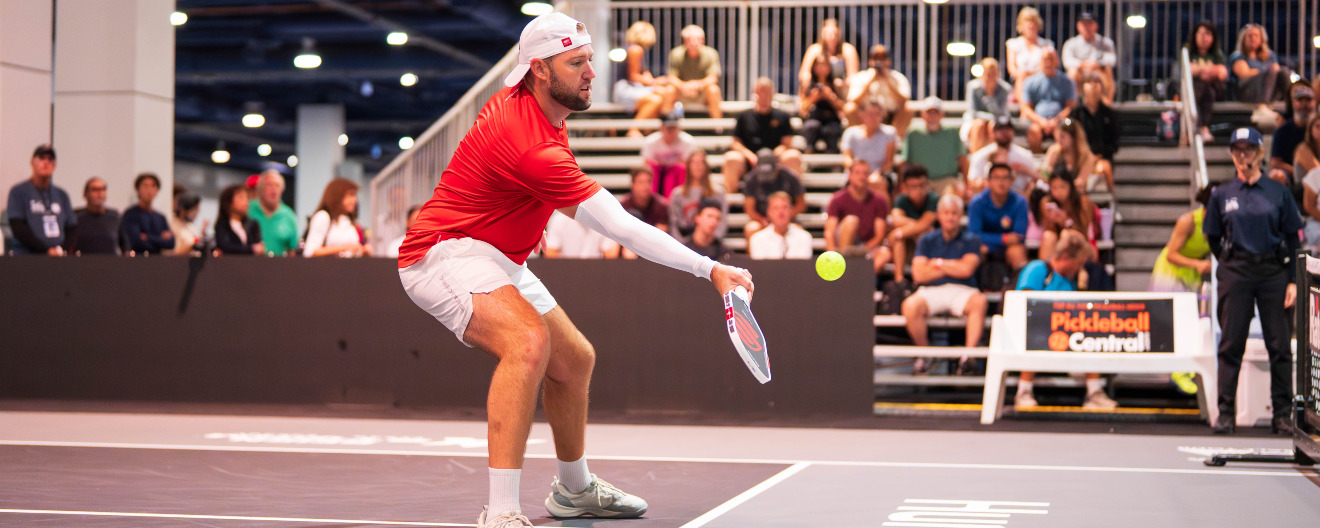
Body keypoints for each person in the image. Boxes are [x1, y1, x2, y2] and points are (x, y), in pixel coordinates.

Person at [394, 14, 753, 527]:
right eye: (576, 63)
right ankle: (501, 512)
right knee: (527, 343)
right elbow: (622, 228)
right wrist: (709, 267)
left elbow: (501, 178)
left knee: (575, 359)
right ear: (540, 69)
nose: (591, 73)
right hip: (442, 252)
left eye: (589, 59)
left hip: (496, 251)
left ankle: (574, 488)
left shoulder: (538, 103)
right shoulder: (531, 145)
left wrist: (526, 215)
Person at [1204, 127, 1303, 436]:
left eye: (1249, 149)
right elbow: (1213, 237)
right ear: (1232, 154)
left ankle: (1282, 415)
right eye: (1238, 149)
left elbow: (1293, 238)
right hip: (1236, 273)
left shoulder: (1278, 192)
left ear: (1260, 153)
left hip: (1273, 272)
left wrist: (1293, 280)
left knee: (1280, 345)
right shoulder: (1221, 194)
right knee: (1231, 343)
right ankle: (1225, 414)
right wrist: (1231, 262)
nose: (1243, 155)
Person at [1012, 230, 1117, 410]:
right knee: (1035, 331)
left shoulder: (1071, 281)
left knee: (1090, 330)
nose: (1080, 268)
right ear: (1066, 257)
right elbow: (1024, 305)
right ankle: (1024, 391)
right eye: (1079, 263)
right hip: (1032, 330)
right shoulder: (1038, 269)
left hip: (1063, 332)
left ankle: (1094, 393)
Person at [903, 194, 987, 374]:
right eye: (946, 213)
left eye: (954, 213)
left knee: (979, 301)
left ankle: (968, 359)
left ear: (961, 216)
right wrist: (954, 266)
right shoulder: (926, 239)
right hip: (931, 290)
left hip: (962, 290)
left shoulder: (972, 239)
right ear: (939, 215)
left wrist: (937, 263)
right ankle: (925, 355)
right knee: (910, 305)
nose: (950, 217)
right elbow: (919, 274)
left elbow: (967, 270)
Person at [722, 77, 803, 193]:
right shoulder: (743, 116)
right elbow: (736, 143)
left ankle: (795, 196)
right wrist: (750, 156)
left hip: (776, 160)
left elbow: (787, 143)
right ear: (754, 92)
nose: (764, 95)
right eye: (761, 91)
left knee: (793, 156)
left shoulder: (782, 116)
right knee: (731, 158)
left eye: (767, 92)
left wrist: (771, 156)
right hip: (749, 160)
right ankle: (730, 198)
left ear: (773, 93)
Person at [7, 145, 76, 256]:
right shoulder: (18, 192)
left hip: (57, 258)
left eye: (50, 159)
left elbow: (72, 227)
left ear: (54, 166)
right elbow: (18, 226)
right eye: (42, 158)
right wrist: (45, 251)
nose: (46, 162)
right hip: (27, 257)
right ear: (32, 162)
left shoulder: (61, 195)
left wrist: (60, 249)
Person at [1150, 184, 1216, 293]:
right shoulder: (1188, 221)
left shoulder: (1222, 225)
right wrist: (1197, 264)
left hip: (1191, 275)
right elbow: (1171, 255)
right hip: (1170, 274)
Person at [615, 20, 675, 138]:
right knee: (656, 99)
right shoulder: (636, 49)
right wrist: (656, 82)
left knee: (663, 94)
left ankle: (649, 129)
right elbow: (634, 76)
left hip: (631, 87)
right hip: (625, 89)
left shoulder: (636, 49)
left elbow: (645, 75)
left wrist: (653, 82)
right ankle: (635, 129)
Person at [968, 163, 1029, 276]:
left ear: (1011, 181)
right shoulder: (977, 202)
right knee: (976, 250)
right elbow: (974, 235)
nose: (1001, 182)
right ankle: (974, 284)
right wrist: (1003, 239)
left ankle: (1020, 284)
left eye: (1005, 178)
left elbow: (1019, 236)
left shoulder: (1020, 202)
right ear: (989, 181)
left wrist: (993, 241)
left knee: (1017, 250)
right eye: (996, 178)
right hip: (985, 246)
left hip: (1009, 247)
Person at [824, 159, 888, 264]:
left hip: (866, 247)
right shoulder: (837, 199)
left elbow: (879, 235)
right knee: (851, 221)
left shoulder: (879, 201)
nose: (862, 177)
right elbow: (829, 231)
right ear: (850, 176)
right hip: (841, 245)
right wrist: (832, 254)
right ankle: (842, 264)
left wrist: (864, 250)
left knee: (885, 253)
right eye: (857, 173)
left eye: (865, 173)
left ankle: (865, 274)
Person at [900, 97, 968, 195]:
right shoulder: (913, 134)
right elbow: (904, 162)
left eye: (936, 113)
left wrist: (967, 184)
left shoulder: (952, 133)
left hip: (947, 180)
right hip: (920, 182)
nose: (932, 116)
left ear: (942, 115)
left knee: (953, 196)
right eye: (929, 113)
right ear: (922, 115)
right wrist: (901, 184)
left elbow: (963, 159)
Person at [845, 44, 913, 137]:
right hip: (867, 117)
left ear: (889, 61)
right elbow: (855, 101)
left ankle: (894, 141)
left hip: (890, 117)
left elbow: (903, 101)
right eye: (876, 58)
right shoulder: (862, 77)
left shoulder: (897, 77)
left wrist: (887, 81)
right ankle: (862, 139)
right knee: (849, 108)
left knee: (908, 108)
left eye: (882, 58)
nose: (879, 62)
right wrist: (870, 82)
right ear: (870, 61)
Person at [888, 165, 940, 284]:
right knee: (900, 239)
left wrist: (899, 232)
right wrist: (907, 230)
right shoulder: (901, 199)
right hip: (909, 246)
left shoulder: (933, 199)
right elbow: (896, 219)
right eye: (913, 187)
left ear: (928, 185)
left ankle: (924, 276)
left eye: (922, 185)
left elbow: (925, 224)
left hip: (932, 244)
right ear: (904, 188)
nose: (918, 191)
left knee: (922, 234)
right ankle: (899, 280)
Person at [740, 148, 806, 238]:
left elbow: (801, 204)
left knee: (798, 231)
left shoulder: (790, 177)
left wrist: (783, 218)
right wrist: (762, 220)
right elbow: (749, 209)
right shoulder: (750, 180)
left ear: (777, 166)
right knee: (752, 228)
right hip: (762, 219)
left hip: (787, 218)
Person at [1022, 49, 1076, 154]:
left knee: (1066, 131)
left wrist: (1056, 120)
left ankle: (1059, 159)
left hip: (1060, 121)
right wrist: (1041, 121)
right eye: (1045, 60)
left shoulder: (1067, 81)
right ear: (1040, 62)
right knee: (1033, 132)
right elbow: (1026, 108)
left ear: (1057, 61)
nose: (1048, 63)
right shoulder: (1030, 81)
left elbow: (1071, 107)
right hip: (1038, 122)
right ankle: (1038, 160)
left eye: (1051, 59)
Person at [967, 117, 1040, 196]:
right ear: (993, 133)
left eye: (1007, 129)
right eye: (1000, 129)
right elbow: (973, 183)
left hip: (1019, 198)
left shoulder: (1025, 155)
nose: (1004, 132)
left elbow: (1034, 182)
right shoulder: (980, 155)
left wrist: (1025, 170)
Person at [1035, 171, 1097, 262]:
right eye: (1054, 187)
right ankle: (1046, 269)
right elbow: (1048, 230)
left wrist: (1066, 222)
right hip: (1056, 244)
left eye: (1062, 187)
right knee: (1049, 237)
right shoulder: (1046, 203)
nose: (1058, 192)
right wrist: (1052, 221)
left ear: (1070, 187)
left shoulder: (1083, 202)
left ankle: (1070, 268)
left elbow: (1084, 232)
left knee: (1066, 234)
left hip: (1083, 243)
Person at [1072, 74, 1118, 192]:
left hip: (1101, 157)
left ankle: (1111, 197)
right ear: (1083, 87)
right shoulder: (1076, 113)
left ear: (1102, 87)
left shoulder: (1110, 114)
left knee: (1103, 168)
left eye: (1097, 82)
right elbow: (1067, 129)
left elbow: (1114, 144)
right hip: (1079, 157)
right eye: (1089, 82)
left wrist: (1098, 155)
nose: (1093, 85)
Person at [1268, 81, 1315, 197]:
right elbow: (1275, 163)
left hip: (1316, 173)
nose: (1304, 105)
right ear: (1293, 103)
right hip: (1291, 174)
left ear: (1315, 103)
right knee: (1276, 175)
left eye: (1308, 100)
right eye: (1300, 100)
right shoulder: (1282, 130)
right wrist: (1298, 171)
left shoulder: (1317, 127)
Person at [1184, 21, 1229, 143]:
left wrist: (1200, 70)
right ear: (1195, 35)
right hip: (1198, 92)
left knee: (1205, 87)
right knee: (1204, 89)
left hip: (1215, 91)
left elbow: (1222, 73)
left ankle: (1192, 128)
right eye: (1202, 34)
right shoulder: (1187, 52)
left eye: (1208, 34)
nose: (1205, 38)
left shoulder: (1216, 54)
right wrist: (1210, 70)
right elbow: (1188, 70)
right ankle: (1204, 128)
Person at [1229, 24, 1291, 110]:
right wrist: (1267, 73)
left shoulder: (1270, 55)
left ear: (1262, 39)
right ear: (1243, 39)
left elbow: (1277, 70)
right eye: (1250, 36)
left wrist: (1257, 72)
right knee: (1271, 70)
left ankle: (1291, 104)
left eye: (1256, 35)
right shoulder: (1238, 56)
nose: (1253, 38)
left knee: (1284, 72)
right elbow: (1244, 74)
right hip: (1246, 92)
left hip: (1269, 92)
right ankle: (1263, 107)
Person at [667, 149, 726, 239]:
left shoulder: (717, 192)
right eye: (694, 162)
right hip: (684, 239)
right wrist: (681, 243)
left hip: (709, 240)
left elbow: (722, 221)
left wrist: (713, 241)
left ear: (706, 166)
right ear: (688, 166)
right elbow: (673, 223)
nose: (697, 166)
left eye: (701, 162)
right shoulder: (678, 194)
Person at [667, 24, 723, 120]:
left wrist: (698, 85)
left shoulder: (711, 53)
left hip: (702, 92)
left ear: (703, 41)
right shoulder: (675, 53)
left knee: (713, 90)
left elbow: (713, 78)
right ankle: (667, 123)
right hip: (682, 92)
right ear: (684, 41)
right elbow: (672, 78)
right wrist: (683, 86)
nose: (694, 43)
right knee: (669, 90)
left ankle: (718, 125)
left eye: (697, 39)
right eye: (690, 40)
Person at [1060, 12, 1116, 105]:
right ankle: (1073, 105)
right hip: (1081, 73)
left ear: (1096, 25)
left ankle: (1107, 105)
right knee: (1072, 72)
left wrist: (1097, 64)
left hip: (1098, 72)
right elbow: (1067, 62)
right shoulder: (1071, 43)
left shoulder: (1105, 42)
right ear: (1078, 26)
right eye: (1084, 24)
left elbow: (1112, 60)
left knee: (1107, 70)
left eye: (1089, 24)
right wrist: (1083, 64)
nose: (1087, 27)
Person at [303, 177, 367, 258]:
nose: (355, 200)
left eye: (355, 195)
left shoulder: (349, 221)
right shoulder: (323, 216)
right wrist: (343, 247)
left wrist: (363, 250)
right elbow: (310, 252)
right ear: (337, 196)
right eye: (351, 195)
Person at [841, 98, 899, 184]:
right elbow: (847, 159)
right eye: (870, 114)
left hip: (880, 175)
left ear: (882, 116)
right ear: (862, 115)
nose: (873, 118)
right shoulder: (850, 133)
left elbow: (889, 162)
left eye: (877, 114)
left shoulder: (889, 132)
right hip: (856, 175)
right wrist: (859, 173)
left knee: (878, 183)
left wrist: (877, 174)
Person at [1005, 7, 1055, 104]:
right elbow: (1012, 69)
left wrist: (1032, 74)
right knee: (1021, 78)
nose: (1031, 25)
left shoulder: (1046, 44)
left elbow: (1052, 65)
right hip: (1021, 80)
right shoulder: (1013, 44)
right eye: (1027, 21)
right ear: (1021, 25)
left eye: (1033, 21)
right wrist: (1023, 74)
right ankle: (1024, 109)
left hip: (1042, 79)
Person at [640, 111, 696, 198]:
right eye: (669, 128)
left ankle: (680, 198)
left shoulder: (687, 141)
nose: (671, 132)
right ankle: (651, 198)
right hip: (659, 173)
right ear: (662, 128)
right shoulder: (651, 142)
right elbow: (647, 163)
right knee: (652, 168)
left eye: (674, 128)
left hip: (676, 173)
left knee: (680, 169)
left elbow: (687, 163)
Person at [963, 58, 1013, 153]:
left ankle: (993, 159)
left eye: (994, 74)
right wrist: (990, 118)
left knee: (992, 126)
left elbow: (1001, 113)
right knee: (979, 125)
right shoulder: (973, 87)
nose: (991, 78)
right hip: (975, 122)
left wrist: (990, 97)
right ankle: (976, 158)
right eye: (988, 74)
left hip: (996, 122)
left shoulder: (1005, 89)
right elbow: (973, 112)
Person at [797, 18, 859, 95]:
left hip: (840, 88)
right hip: (818, 87)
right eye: (828, 34)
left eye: (834, 34)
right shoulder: (814, 49)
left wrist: (843, 84)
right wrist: (807, 82)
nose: (832, 37)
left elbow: (853, 75)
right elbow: (804, 73)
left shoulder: (847, 49)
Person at [799, 54, 845, 154]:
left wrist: (831, 97)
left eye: (824, 64)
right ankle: (808, 154)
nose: (821, 68)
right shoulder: (808, 85)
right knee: (812, 127)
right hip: (814, 118)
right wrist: (813, 98)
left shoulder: (835, 85)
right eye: (819, 64)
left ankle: (832, 157)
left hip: (831, 119)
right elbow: (802, 109)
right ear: (814, 67)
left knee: (831, 129)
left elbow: (843, 107)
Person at [1042, 118, 1101, 195]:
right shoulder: (1054, 151)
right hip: (1054, 191)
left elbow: (1081, 181)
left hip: (1075, 194)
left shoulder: (1086, 157)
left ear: (1073, 138)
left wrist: (1064, 187)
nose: (1059, 140)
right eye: (1057, 136)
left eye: (1062, 136)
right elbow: (1045, 174)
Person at [248, 169, 300, 257]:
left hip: (280, 264)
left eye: (277, 186)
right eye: (269, 185)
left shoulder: (289, 215)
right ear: (260, 189)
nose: (274, 189)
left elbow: (293, 249)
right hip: (248, 263)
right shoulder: (248, 209)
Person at [120, 172, 174, 256]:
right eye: (145, 186)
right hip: (137, 259)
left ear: (157, 190)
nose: (149, 190)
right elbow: (135, 241)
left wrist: (147, 237)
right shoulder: (131, 214)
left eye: (153, 186)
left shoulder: (160, 217)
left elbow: (170, 243)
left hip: (157, 259)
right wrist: (160, 239)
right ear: (138, 190)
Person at [748, 191, 812, 259]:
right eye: (776, 208)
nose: (781, 212)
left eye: (785, 207)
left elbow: (803, 264)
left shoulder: (804, 237)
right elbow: (760, 265)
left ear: (791, 210)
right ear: (769, 212)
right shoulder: (758, 239)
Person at [70, 177, 120, 255]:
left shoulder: (115, 217)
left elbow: (124, 244)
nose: (99, 193)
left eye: (103, 189)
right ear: (86, 195)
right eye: (95, 190)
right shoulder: (76, 217)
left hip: (110, 260)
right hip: (83, 261)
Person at [544, 211, 620, 259]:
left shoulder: (603, 221)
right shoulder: (559, 220)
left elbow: (611, 255)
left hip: (595, 272)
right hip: (566, 272)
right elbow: (550, 253)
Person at [214, 184, 264, 255]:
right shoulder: (222, 225)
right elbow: (225, 247)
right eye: (241, 197)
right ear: (229, 203)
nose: (246, 202)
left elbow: (259, 246)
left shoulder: (253, 224)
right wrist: (251, 248)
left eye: (247, 198)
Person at [620, 166, 669, 233]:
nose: (645, 186)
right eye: (641, 182)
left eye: (649, 182)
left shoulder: (662, 206)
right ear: (632, 185)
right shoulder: (623, 206)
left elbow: (661, 233)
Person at [170, 191, 202, 256]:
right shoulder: (172, 224)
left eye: (198, 210)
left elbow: (196, 240)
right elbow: (175, 250)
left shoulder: (190, 226)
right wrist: (192, 246)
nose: (196, 213)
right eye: (194, 209)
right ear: (183, 209)